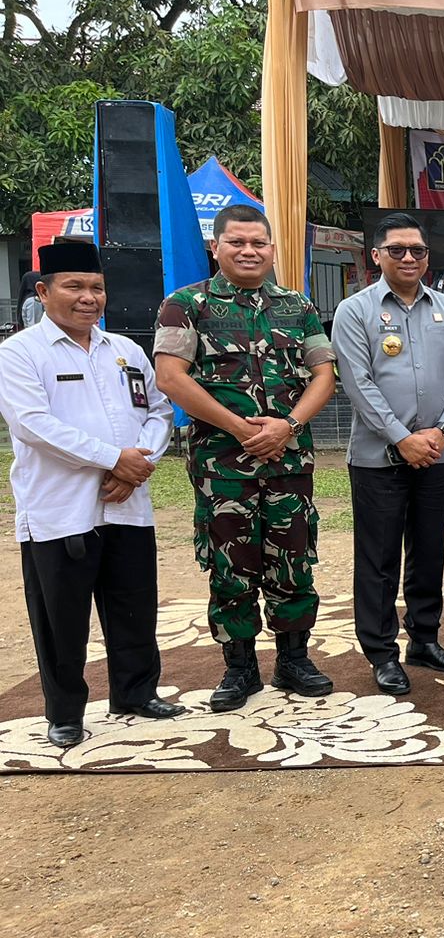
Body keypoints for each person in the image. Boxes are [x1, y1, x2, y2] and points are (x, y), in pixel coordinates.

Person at [154, 204, 337, 712]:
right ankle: (239, 668)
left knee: (293, 558)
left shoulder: (296, 306)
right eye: (237, 242)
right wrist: (239, 428)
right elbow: (171, 376)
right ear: (217, 247)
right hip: (222, 466)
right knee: (231, 563)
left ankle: (293, 660)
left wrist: (289, 425)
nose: (249, 251)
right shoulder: (185, 305)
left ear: (273, 249)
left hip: (288, 461)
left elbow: (324, 374)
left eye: (259, 242)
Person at [0, 241, 183, 748]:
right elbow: (34, 425)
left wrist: (137, 464)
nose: (88, 298)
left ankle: (136, 692)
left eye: (96, 287)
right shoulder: (18, 353)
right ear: (43, 291)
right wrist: (113, 458)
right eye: (74, 287)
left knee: (134, 604)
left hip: (126, 503)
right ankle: (64, 712)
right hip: (59, 509)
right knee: (61, 616)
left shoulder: (125, 350)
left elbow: (160, 411)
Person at [332, 212, 444, 695]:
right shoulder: (355, 311)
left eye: (418, 250)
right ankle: (381, 652)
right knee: (378, 557)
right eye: (397, 250)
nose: (409, 257)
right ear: (377, 256)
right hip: (377, 457)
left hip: (438, 451)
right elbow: (358, 384)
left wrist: (443, 430)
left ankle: (425, 639)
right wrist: (402, 437)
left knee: (429, 549)